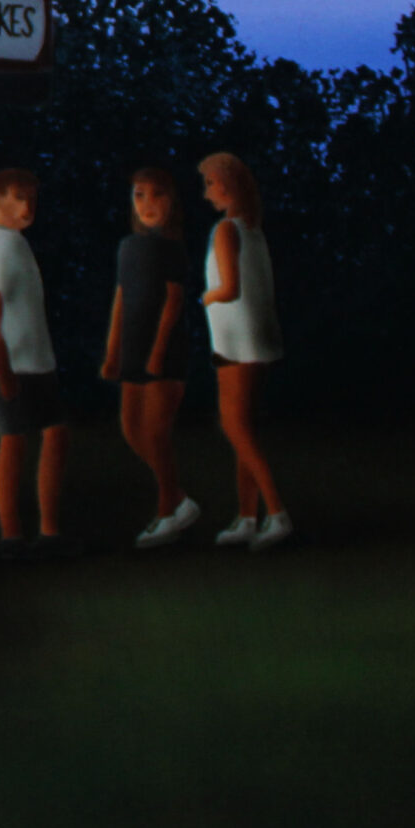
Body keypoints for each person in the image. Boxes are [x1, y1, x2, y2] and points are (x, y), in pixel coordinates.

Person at [0, 168, 73, 558]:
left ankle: (48, 533)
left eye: (31, 197)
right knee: (15, 441)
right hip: (12, 365)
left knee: (53, 434)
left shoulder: (14, 243)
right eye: (17, 196)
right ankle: (12, 538)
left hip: (34, 361)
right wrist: (3, 370)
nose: (28, 206)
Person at [100, 165, 198, 548]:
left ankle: (165, 513)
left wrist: (158, 353)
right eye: (139, 196)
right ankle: (178, 499)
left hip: (165, 352)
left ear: (171, 201)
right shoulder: (128, 247)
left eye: (156, 195)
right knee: (131, 429)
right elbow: (121, 300)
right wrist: (112, 353)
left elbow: (173, 302)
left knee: (156, 433)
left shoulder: (171, 248)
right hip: (132, 349)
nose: (148, 204)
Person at [199, 151, 290, 549]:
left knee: (234, 425)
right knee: (244, 426)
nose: (207, 193)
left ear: (228, 186)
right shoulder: (253, 228)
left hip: (236, 338)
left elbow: (229, 287)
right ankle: (247, 516)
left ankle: (277, 512)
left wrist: (206, 296)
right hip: (257, 335)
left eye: (210, 184)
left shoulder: (226, 230)